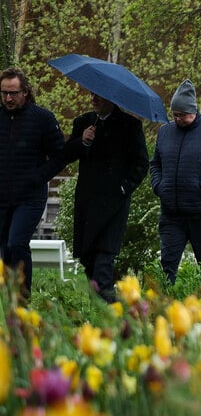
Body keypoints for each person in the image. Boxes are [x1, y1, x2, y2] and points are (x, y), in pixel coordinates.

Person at [61, 92, 149, 303]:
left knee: (103, 261)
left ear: (112, 98)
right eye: (92, 94)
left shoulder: (129, 126)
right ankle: (97, 311)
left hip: (113, 205)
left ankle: (109, 313)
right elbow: (66, 155)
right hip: (87, 203)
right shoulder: (83, 123)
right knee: (88, 261)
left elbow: (141, 163)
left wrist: (123, 188)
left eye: (99, 95)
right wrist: (82, 142)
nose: (93, 98)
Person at [0, 67, 65, 297]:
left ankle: (22, 295)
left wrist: (38, 177)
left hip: (29, 196)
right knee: (4, 250)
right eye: (4, 93)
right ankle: (7, 299)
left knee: (17, 243)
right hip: (2, 196)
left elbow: (60, 156)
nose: (8, 98)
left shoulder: (42, 119)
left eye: (13, 93)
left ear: (25, 92)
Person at [151, 79, 201, 284]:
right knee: (167, 264)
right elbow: (155, 164)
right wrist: (159, 186)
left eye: (182, 115)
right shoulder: (165, 132)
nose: (177, 118)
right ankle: (164, 305)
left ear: (193, 110)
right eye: (174, 114)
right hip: (171, 213)